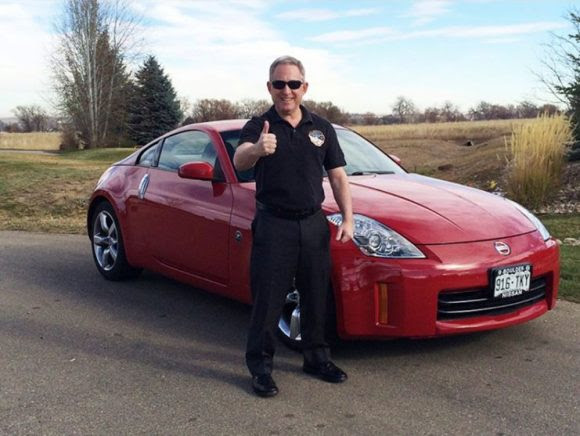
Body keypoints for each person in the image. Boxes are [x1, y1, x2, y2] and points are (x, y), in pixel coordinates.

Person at [233, 55, 354, 397]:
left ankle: (316, 358)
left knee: (316, 295)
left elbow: (338, 176)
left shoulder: (321, 128)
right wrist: (257, 149)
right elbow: (240, 159)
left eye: (293, 84)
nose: (286, 91)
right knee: (268, 301)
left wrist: (348, 218)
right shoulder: (259, 126)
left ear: (305, 87)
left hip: (313, 223)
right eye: (279, 84)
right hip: (274, 224)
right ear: (269, 87)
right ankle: (261, 368)